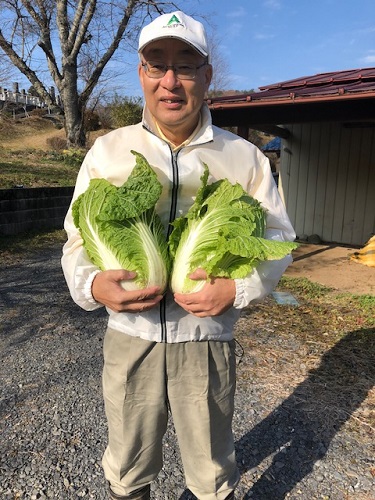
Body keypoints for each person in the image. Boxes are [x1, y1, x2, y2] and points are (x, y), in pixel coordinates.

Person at [61, 11, 296, 500]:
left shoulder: (243, 156)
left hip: (206, 338)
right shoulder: (108, 150)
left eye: (186, 65)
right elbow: (77, 238)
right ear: (142, 74)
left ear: (207, 76)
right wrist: (90, 285)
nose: (171, 81)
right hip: (131, 335)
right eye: (157, 64)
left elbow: (277, 237)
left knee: (211, 468)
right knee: (128, 463)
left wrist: (239, 287)